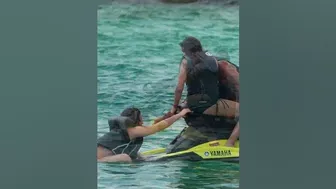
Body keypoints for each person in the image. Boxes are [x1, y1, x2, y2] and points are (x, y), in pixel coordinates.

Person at [166, 36, 240, 153]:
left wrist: (175, 107)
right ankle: (230, 143)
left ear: (188, 50)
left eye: (184, 51)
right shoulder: (214, 60)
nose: (183, 53)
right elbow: (235, 84)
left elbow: (179, 88)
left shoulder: (185, 61)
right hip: (210, 104)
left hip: (192, 103)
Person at [97, 107, 191, 163]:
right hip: (98, 160)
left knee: (138, 155)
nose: (142, 122)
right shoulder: (133, 130)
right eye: (141, 119)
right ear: (135, 120)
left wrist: (164, 117)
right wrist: (180, 115)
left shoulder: (126, 130)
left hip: (103, 156)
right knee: (125, 157)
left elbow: (154, 126)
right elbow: (158, 127)